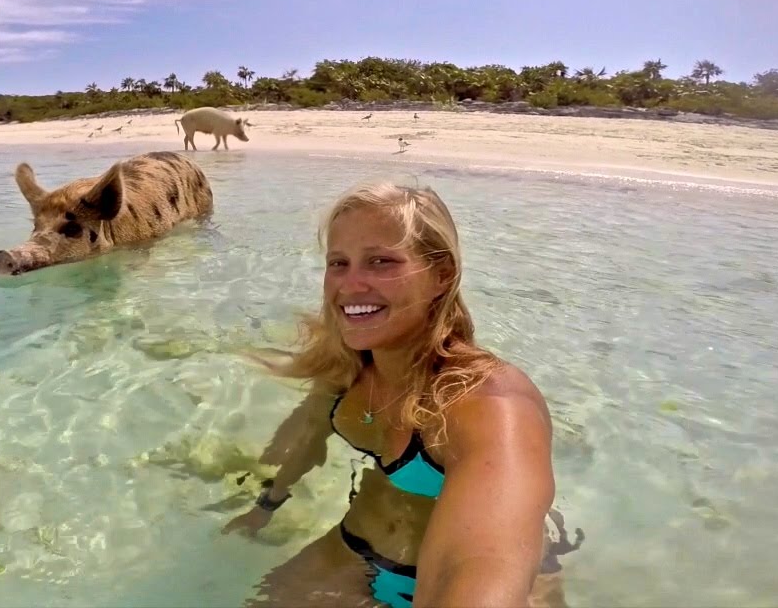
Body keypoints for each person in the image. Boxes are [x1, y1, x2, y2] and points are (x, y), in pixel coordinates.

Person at [222, 182, 583, 608]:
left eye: (380, 261)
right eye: (338, 262)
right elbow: (307, 440)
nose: (351, 284)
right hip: (355, 550)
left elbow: (484, 561)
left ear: (441, 275)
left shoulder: (487, 403)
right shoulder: (346, 370)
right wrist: (265, 507)